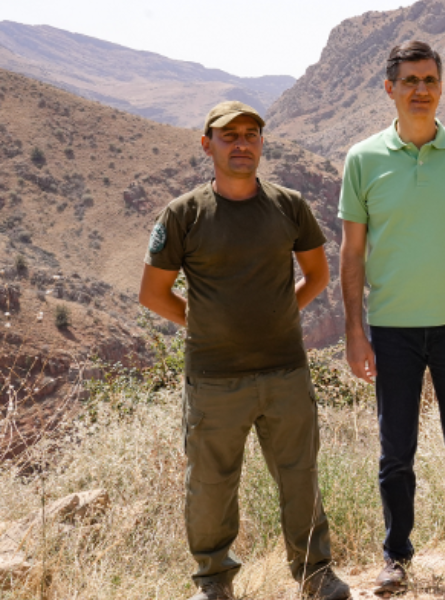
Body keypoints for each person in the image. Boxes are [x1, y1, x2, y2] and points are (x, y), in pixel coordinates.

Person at [138, 101, 349, 600]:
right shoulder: (184, 214)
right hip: (214, 378)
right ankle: (213, 582)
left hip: (285, 372)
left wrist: (280, 314)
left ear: (262, 143)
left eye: (251, 134)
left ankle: (315, 574)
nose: (241, 143)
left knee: (300, 479)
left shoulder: (288, 205)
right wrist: (205, 323)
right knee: (210, 486)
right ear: (206, 144)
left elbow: (317, 274)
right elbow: (153, 293)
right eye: (228, 135)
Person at [338, 40, 445, 594]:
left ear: (441, 86)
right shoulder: (363, 159)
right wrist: (354, 330)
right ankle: (396, 557)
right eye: (409, 80)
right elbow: (351, 252)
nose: (420, 90)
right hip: (391, 329)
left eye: (429, 79)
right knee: (396, 452)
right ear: (390, 88)